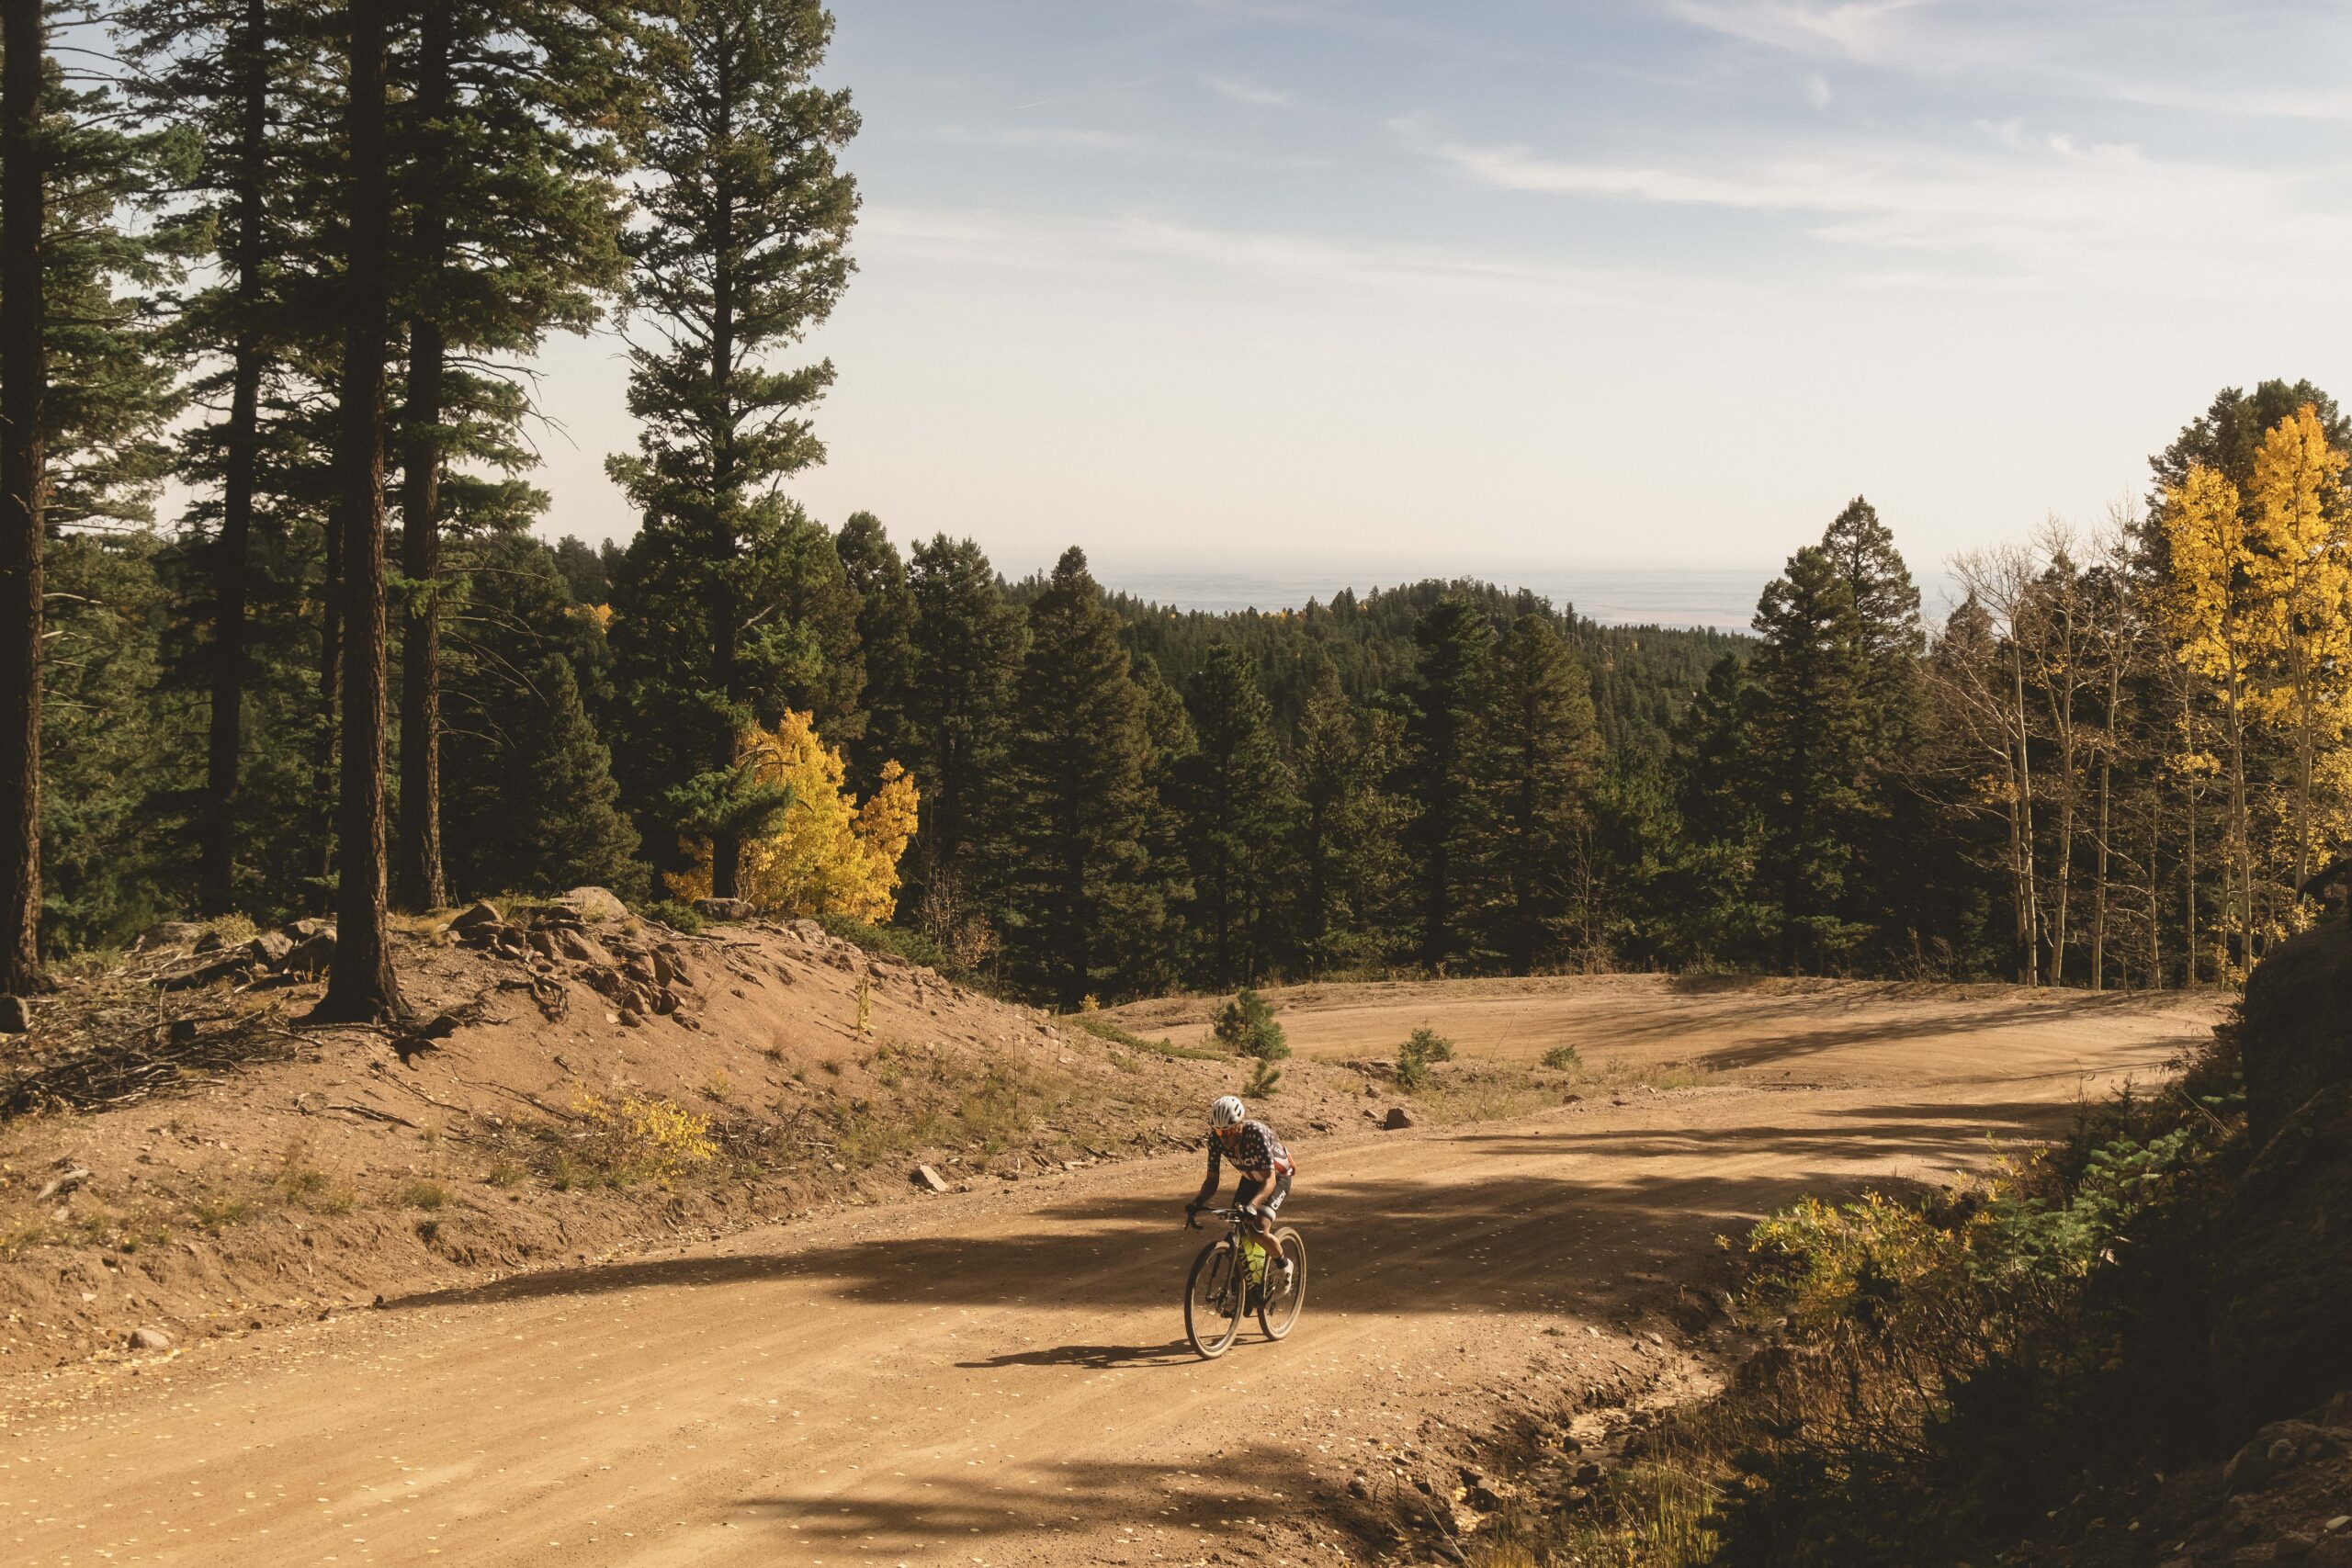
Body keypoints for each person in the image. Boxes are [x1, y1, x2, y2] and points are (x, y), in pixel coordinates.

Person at [1187, 1094, 1295, 1290]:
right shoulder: (1215, 1139)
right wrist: (1198, 1201)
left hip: (1277, 1177)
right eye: (1219, 1133)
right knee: (1238, 1226)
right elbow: (1212, 1180)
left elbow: (1269, 1180)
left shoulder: (1256, 1134)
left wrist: (1253, 1206)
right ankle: (1247, 1285)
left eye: (1228, 1132)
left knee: (1259, 1227)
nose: (1224, 1138)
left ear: (1239, 1125)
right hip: (1250, 1178)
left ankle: (1283, 1265)